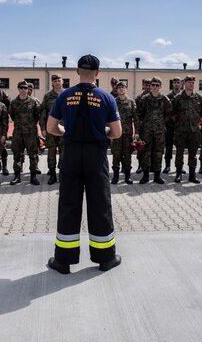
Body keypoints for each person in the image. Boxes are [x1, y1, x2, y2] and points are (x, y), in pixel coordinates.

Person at [46, 54, 122, 274]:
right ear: (97, 73)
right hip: (96, 156)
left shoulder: (64, 96)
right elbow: (116, 132)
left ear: (77, 72)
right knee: (100, 204)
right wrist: (103, 131)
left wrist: (65, 131)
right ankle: (105, 258)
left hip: (70, 154)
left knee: (68, 204)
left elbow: (51, 128)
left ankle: (63, 260)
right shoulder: (107, 97)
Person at [136, 76, 172, 184]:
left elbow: (169, 113)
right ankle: (145, 176)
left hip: (159, 131)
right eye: (153, 85)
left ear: (160, 86)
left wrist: (162, 123)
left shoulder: (165, 99)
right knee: (145, 153)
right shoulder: (144, 99)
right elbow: (139, 114)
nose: (155, 87)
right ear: (150, 86)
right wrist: (144, 125)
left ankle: (157, 176)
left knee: (158, 153)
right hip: (147, 131)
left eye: (157, 85)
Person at [171, 75, 202, 183]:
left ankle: (192, 175)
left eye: (193, 82)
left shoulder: (199, 98)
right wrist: (178, 123)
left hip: (194, 131)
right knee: (179, 153)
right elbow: (172, 113)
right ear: (184, 83)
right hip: (181, 131)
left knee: (193, 154)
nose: (191, 84)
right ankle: (178, 173)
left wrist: (199, 121)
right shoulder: (178, 98)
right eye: (189, 82)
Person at [9, 80, 41, 185]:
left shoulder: (33, 102)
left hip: (31, 133)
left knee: (33, 155)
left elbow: (37, 116)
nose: (23, 90)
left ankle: (33, 177)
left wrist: (30, 125)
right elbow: (12, 116)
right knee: (17, 155)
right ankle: (17, 176)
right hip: (18, 133)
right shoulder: (13, 103)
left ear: (28, 90)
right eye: (21, 88)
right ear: (18, 89)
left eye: (25, 88)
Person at [111, 81, 139, 185]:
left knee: (127, 155)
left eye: (123, 87)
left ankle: (127, 176)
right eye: (119, 87)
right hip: (116, 133)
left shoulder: (131, 102)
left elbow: (136, 119)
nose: (121, 89)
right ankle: (115, 176)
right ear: (117, 90)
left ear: (126, 89)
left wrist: (137, 132)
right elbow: (109, 118)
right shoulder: (113, 102)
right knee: (116, 155)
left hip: (127, 134)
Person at [39, 73, 65, 185]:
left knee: (64, 152)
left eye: (59, 80)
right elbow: (43, 113)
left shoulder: (67, 94)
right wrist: (43, 129)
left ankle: (63, 174)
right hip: (51, 129)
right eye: (55, 81)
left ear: (62, 81)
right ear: (52, 83)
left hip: (64, 129)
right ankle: (53, 174)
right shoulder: (47, 96)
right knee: (51, 151)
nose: (57, 82)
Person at [163, 77, 182, 174]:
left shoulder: (184, 95)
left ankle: (180, 166)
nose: (176, 84)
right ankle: (167, 165)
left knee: (180, 147)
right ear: (172, 84)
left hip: (181, 126)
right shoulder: (168, 96)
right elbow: (165, 111)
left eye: (178, 82)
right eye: (174, 82)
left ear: (181, 84)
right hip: (170, 125)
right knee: (168, 146)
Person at [134, 78, 152, 174]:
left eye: (149, 85)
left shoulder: (154, 97)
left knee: (152, 147)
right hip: (142, 126)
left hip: (152, 126)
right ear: (143, 86)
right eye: (146, 85)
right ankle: (140, 166)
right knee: (141, 148)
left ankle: (152, 166)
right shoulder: (139, 98)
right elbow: (136, 114)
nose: (148, 87)